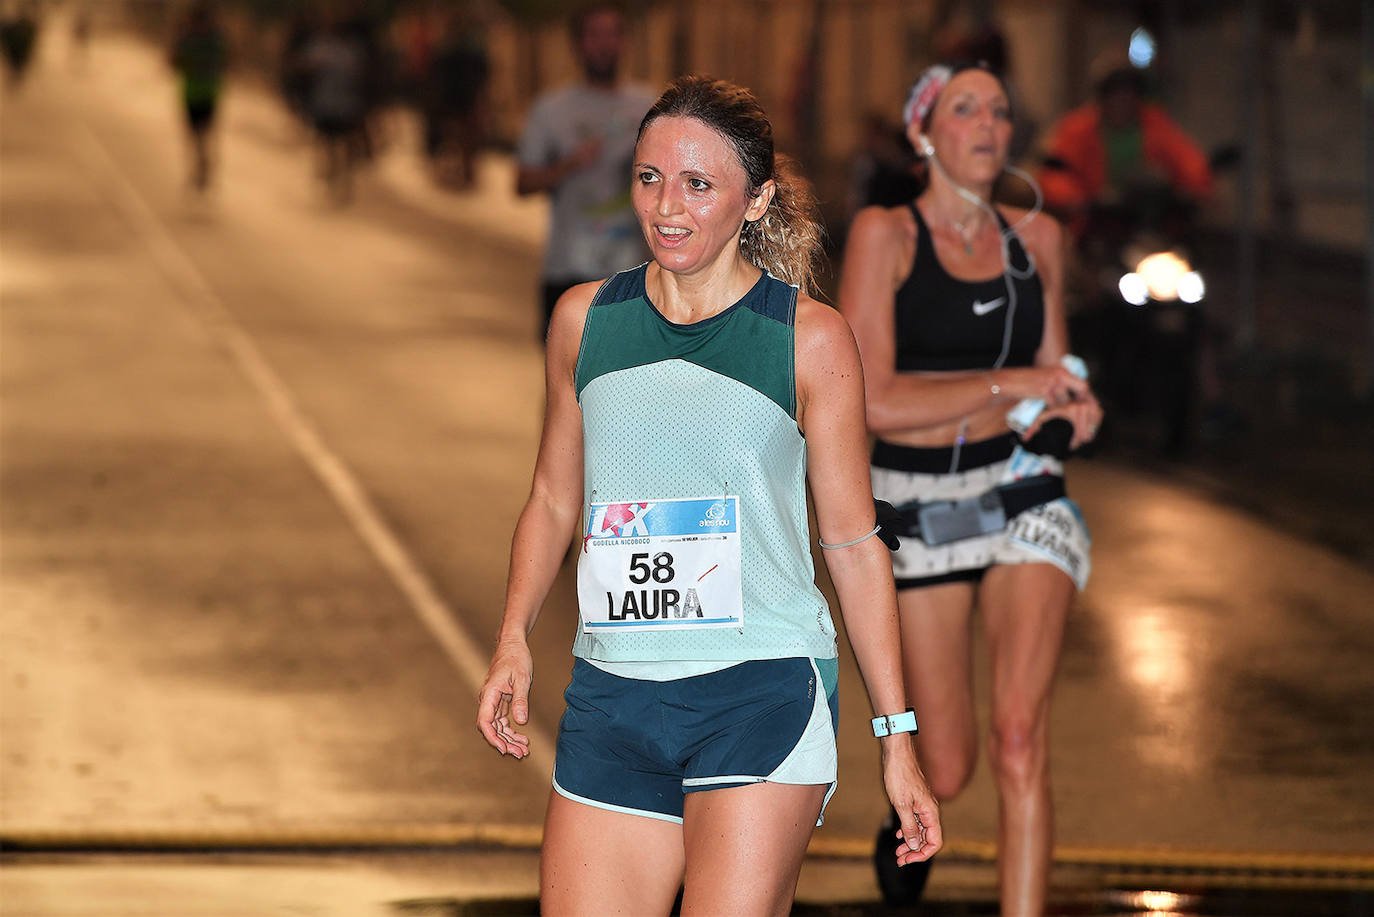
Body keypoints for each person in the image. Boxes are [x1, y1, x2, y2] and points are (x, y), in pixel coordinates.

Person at [478, 74, 942, 915]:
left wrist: (896, 738)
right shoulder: (585, 322)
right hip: (613, 698)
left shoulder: (808, 339)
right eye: (649, 177)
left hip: (759, 692)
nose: (667, 207)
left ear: (756, 200)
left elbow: (851, 542)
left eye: (699, 184)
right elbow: (553, 498)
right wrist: (514, 636)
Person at [838, 62, 1103, 916]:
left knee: (1020, 737)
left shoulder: (1042, 241)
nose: (988, 125)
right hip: (918, 508)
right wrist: (1011, 382)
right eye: (965, 109)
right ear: (924, 133)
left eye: (999, 110)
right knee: (947, 766)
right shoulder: (887, 234)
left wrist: (1072, 402)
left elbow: (1055, 378)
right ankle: (910, 804)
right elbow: (875, 398)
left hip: (1024, 491)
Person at [514, 3, 654, 341]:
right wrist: (568, 165)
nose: (603, 44)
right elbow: (523, 182)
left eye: (612, 34)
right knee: (564, 384)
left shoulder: (649, 105)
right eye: (594, 35)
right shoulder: (551, 109)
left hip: (632, 273)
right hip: (568, 269)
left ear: (625, 41)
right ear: (577, 44)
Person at [1038, 50, 1212, 237]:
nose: (1122, 98)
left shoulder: (1156, 124)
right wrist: (1073, 199)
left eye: (1129, 90)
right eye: (1114, 91)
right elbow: (1056, 172)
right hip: (1093, 225)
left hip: (1149, 225)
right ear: (1102, 96)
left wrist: (1197, 187)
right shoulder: (1077, 129)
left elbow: (1187, 159)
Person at [170, 2, 227, 191]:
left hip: (201, 93)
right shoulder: (211, 40)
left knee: (199, 134)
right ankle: (201, 165)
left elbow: (172, 62)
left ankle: (201, 165)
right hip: (198, 93)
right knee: (199, 134)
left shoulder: (193, 39)